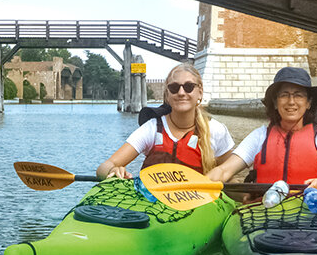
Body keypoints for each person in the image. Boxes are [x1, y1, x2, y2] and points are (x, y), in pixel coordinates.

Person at [208, 67, 317, 196]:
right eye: (284, 95)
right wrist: (197, 186)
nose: (291, 101)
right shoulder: (260, 136)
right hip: (267, 213)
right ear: (275, 103)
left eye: (298, 95)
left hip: (312, 215)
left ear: (309, 103)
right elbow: (223, 171)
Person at [96, 63, 235, 180]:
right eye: (174, 88)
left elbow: (229, 176)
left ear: (200, 92)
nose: (181, 93)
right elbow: (104, 166)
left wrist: (244, 196)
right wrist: (112, 170)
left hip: (198, 205)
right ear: (167, 95)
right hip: (154, 206)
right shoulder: (152, 128)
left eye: (188, 87)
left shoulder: (216, 130)